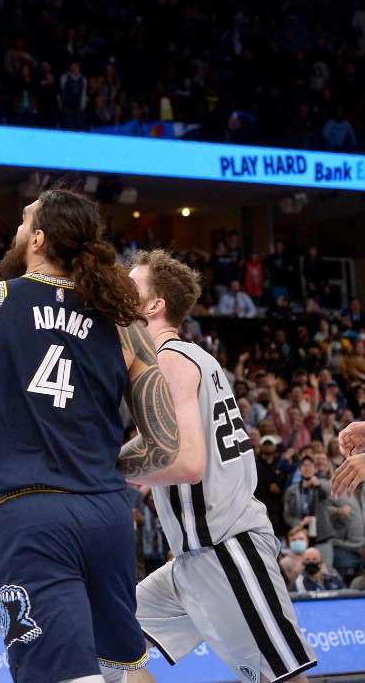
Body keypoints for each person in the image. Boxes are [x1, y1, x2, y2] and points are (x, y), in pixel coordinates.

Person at [0, 188, 194, 683]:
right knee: (126, 669)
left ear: (38, 238)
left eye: (24, 222)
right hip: (108, 516)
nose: (17, 230)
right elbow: (165, 442)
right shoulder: (123, 321)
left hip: (31, 515)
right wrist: (107, 471)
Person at [124, 249, 315, 683]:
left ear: (155, 305)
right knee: (111, 636)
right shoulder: (189, 358)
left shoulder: (169, 361)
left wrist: (103, 467)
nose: (118, 290)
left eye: (130, 285)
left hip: (227, 546)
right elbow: (164, 443)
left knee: (281, 679)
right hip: (194, 558)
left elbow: (186, 463)